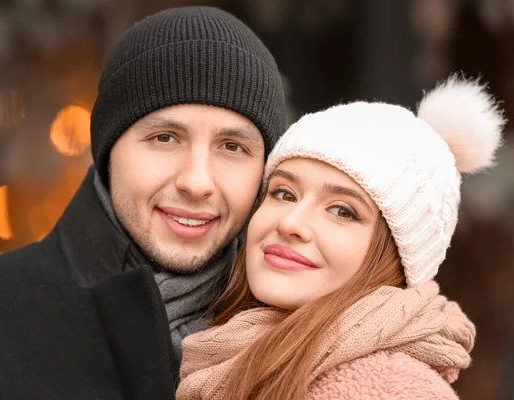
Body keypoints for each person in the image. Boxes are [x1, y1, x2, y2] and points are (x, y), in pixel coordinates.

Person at [0, 7, 286, 400]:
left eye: (232, 146)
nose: (197, 182)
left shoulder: (300, 332)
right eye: (165, 138)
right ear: (108, 150)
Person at [177, 75, 504, 399]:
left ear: (396, 256)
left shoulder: (388, 390)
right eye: (284, 194)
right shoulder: (223, 347)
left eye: (343, 211)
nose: (292, 223)